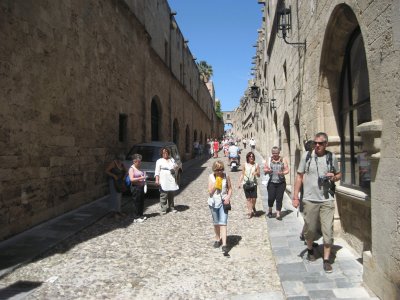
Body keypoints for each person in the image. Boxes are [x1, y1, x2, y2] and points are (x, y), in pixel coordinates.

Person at [292, 132, 341, 273]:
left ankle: (326, 260)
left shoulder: (331, 157)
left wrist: (333, 177)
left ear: (326, 144)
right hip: (309, 199)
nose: (317, 145)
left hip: (327, 200)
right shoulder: (306, 156)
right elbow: (299, 177)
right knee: (310, 229)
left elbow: (338, 175)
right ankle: (310, 249)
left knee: (327, 231)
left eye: (320, 143)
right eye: (315, 143)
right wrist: (295, 197)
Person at [208, 160, 232, 255]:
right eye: (218, 170)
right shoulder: (211, 177)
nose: (220, 171)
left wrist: (228, 197)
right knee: (216, 222)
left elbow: (230, 188)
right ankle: (218, 239)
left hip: (223, 202)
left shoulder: (226, 176)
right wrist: (216, 184)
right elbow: (210, 192)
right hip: (213, 203)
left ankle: (224, 245)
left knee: (223, 222)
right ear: (214, 170)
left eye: (221, 169)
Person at [264, 146, 289, 220]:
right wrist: (268, 171)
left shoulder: (283, 159)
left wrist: (282, 173)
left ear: (279, 153)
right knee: (271, 198)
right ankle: (270, 210)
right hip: (271, 182)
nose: (275, 154)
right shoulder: (269, 160)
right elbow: (265, 169)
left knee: (279, 198)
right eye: (273, 153)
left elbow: (287, 170)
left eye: (276, 153)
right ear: (272, 153)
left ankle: (278, 213)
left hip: (281, 183)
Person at [155, 147, 179, 214]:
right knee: (163, 194)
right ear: (161, 154)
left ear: (168, 153)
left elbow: (175, 166)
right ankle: (163, 209)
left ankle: (171, 208)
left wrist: (176, 167)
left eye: (166, 152)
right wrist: (157, 180)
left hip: (171, 178)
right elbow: (157, 171)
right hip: (163, 179)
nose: (165, 154)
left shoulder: (171, 159)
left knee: (171, 194)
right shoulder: (159, 161)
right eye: (163, 153)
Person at [238, 152, 260, 218]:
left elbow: (259, 174)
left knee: (254, 198)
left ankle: (253, 207)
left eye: (252, 156)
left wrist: (256, 173)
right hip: (246, 183)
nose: (251, 157)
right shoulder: (244, 164)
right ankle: (250, 212)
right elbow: (242, 174)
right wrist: (239, 182)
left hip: (254, 183)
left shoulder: (256, 165)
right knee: (248, 199)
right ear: (247, 157)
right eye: (250, 156)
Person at [105, 154, 127, 218]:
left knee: (119, 196)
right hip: (113, 181)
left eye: (122, 160)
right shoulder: (113, 163)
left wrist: (124, 177)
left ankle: (118, 211)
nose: (121, 161)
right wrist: (113, 175)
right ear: (118, 159)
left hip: (119, 182)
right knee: (113, 196)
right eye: (120, 160)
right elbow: (106, 171)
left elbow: (126, 171)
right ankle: (113, 212)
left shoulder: (122, 164)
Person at [128, 154, 147, 223]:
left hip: (141, 187)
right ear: (134, 161)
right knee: (136, 202)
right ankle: (136, 217)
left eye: (140, 161)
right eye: (138, 162)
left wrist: (144, 177)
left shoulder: (138, 167)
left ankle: (140, 215)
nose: (139, 163)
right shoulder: (131, 169)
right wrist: (141, 178)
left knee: (141, 202)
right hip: (135, 187)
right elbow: (131, 179)